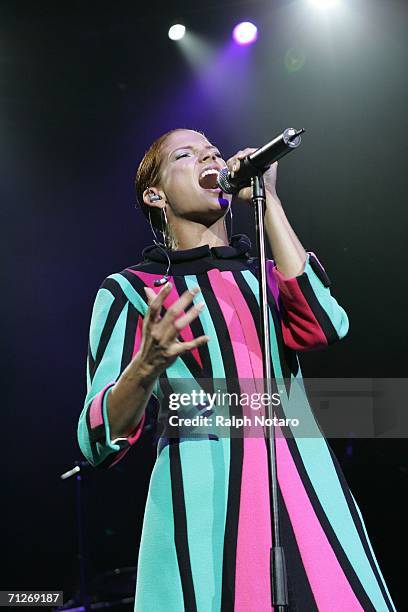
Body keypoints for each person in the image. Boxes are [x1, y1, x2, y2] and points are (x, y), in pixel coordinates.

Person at [77, 128, 396, 611]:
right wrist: (145, 367)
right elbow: (96, 437)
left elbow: (326, 325)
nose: (209, 154)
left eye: (213, 150)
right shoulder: (132, 290)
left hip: (305, 488)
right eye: (186, 154)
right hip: (208, 502)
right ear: (154, 193)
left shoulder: (266, 273)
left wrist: (269, 202)